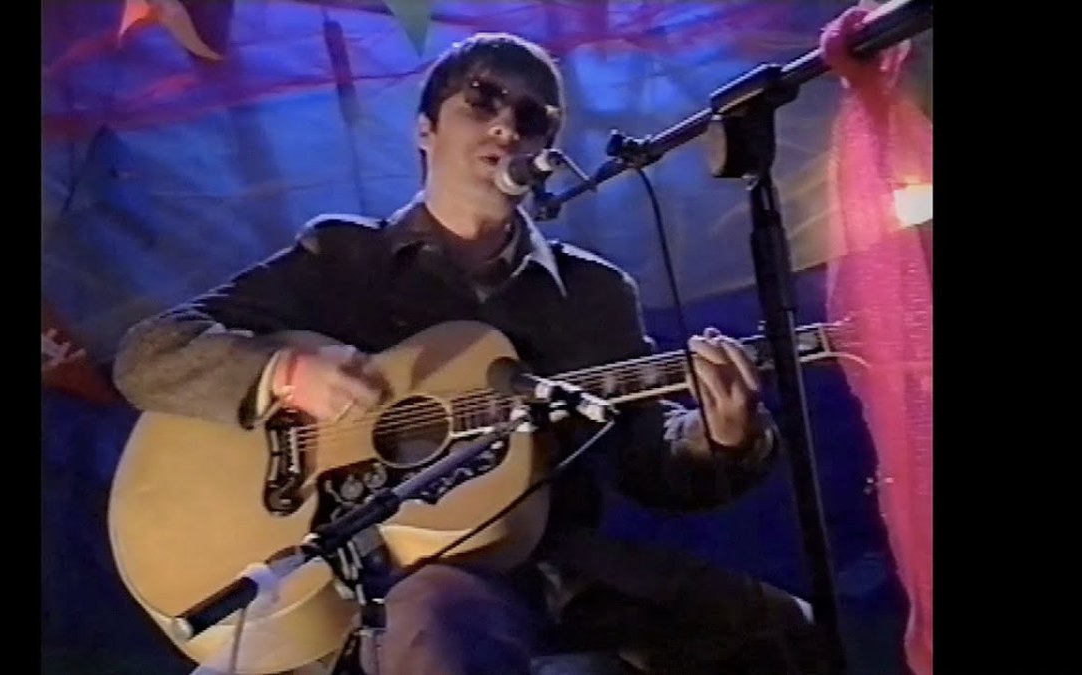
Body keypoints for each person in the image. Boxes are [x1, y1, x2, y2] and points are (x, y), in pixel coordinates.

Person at [113, 32, 822, 675]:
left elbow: (649, 463)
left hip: (557, 567)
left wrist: (721, 437)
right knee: (444, 620)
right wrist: (286, 374)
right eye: (481, 100)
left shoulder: (594, 292)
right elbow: (150, 353)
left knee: (784, 630)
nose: (507, 125)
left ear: (545, 153)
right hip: (379, 573)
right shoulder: (343, 257)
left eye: (532, 116)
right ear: (424, 129)